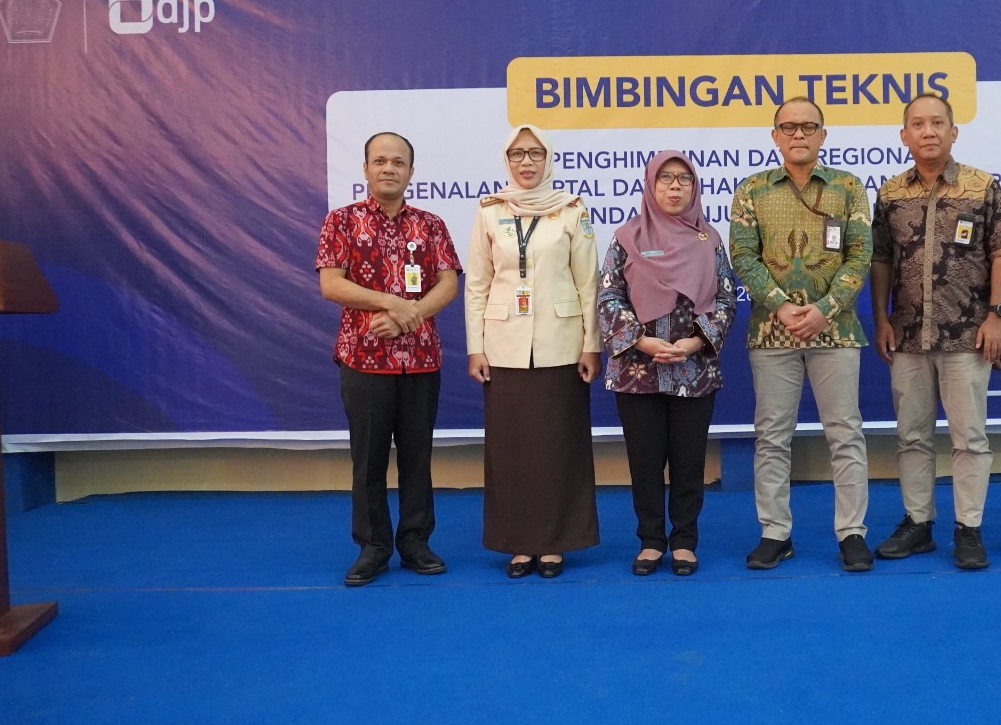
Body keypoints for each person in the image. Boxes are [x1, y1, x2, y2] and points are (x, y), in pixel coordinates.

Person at [870, 93, 1001, 571]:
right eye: (918, 124)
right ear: (904, 135)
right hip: (908, 335)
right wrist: (880, 318)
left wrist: (997, 315)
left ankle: (968, 528)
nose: (928, 131)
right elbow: (881, 259)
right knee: (911, 436)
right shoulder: (891, 193)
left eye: (937, 123)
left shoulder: (982, 186)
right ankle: (918, 523)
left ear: (953, 132)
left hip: (967, 335)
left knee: (969, 438)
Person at [729, 97, 875, 572]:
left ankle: (852, 533)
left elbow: (860, 255)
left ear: (822, 135)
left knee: (845, 434)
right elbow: (743, 256)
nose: (798, 135)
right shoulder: (752, 189)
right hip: (773, 333)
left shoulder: (847, 187)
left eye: (808, 127)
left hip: (836, 331)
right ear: (775, 136)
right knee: (772, 437)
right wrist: (781, 306)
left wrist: (825, 309)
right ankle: (775, 532)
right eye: (788, 127)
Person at [316, 132, 461, 587]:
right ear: (365, 169)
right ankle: (373, 547)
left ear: (411, 172)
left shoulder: (431, 225)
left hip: (420, 360)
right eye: (379, 161)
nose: (388, 168)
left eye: (398, 162)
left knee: (418, 457)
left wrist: (407, 316)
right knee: (369, 460)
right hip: (364, 359)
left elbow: (448, 283)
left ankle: (415, 542)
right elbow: (331, 284)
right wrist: (389, 302)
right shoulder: (342, 221)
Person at [465, 124, 601, 579]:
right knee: (512, 450)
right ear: (507, 160)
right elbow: (477, 285)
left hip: (562, 346)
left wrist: (591, 344)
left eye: (535, 153)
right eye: (518, 154)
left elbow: (588, 283)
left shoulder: (571, 209)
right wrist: (475, 347)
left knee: (559, 446)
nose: (527, 162)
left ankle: (556, 541)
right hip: (503, 348)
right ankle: (519, 542)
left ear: (549, 159)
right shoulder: (490, 211)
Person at [598, 151, 738, 577]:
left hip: (693, 371)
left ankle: (684, 541)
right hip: (637, 370)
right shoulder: (626, 237)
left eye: (684, 179)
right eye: (665, 178)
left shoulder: (709, 240)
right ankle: (650, 540)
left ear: (695, 187)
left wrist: (695, 342)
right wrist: (641, 340)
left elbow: (726, 298)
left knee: (689, 461)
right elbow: (609, 296)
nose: (675, 187)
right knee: (644, 462)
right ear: (650, 185)